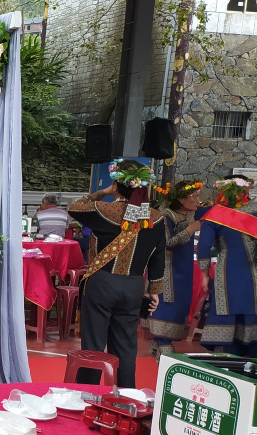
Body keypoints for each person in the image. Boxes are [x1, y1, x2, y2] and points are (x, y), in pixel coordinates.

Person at [68, 160, 165, 388]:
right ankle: (125, 395)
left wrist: (103, 192)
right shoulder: (156, 218)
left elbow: (75, 207)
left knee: (93, 345)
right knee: (126, 346)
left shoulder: (104, 210)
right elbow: (158, 256)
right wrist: (154, 291)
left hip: (102, 283)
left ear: (116, 184)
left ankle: (88, 392)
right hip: (134, 286)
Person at [198, 175, 257, 357]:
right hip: (252, 270)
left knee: (226, 307)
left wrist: (205, 275)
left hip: (227, 272)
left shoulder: (215, 214)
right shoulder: (255, 211)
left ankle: (224, 356)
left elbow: (204, 246)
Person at [148, 181, 204, 356]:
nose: (197, 200)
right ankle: (162, 341)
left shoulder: (192, 213)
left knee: (181, 303)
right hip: (167, 269)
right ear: (181, 199)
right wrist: (190, 229)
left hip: (184, 268)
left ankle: (158, 342)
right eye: (194, 196)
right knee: (166, 303)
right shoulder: (166, 215)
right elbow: (167, 242)